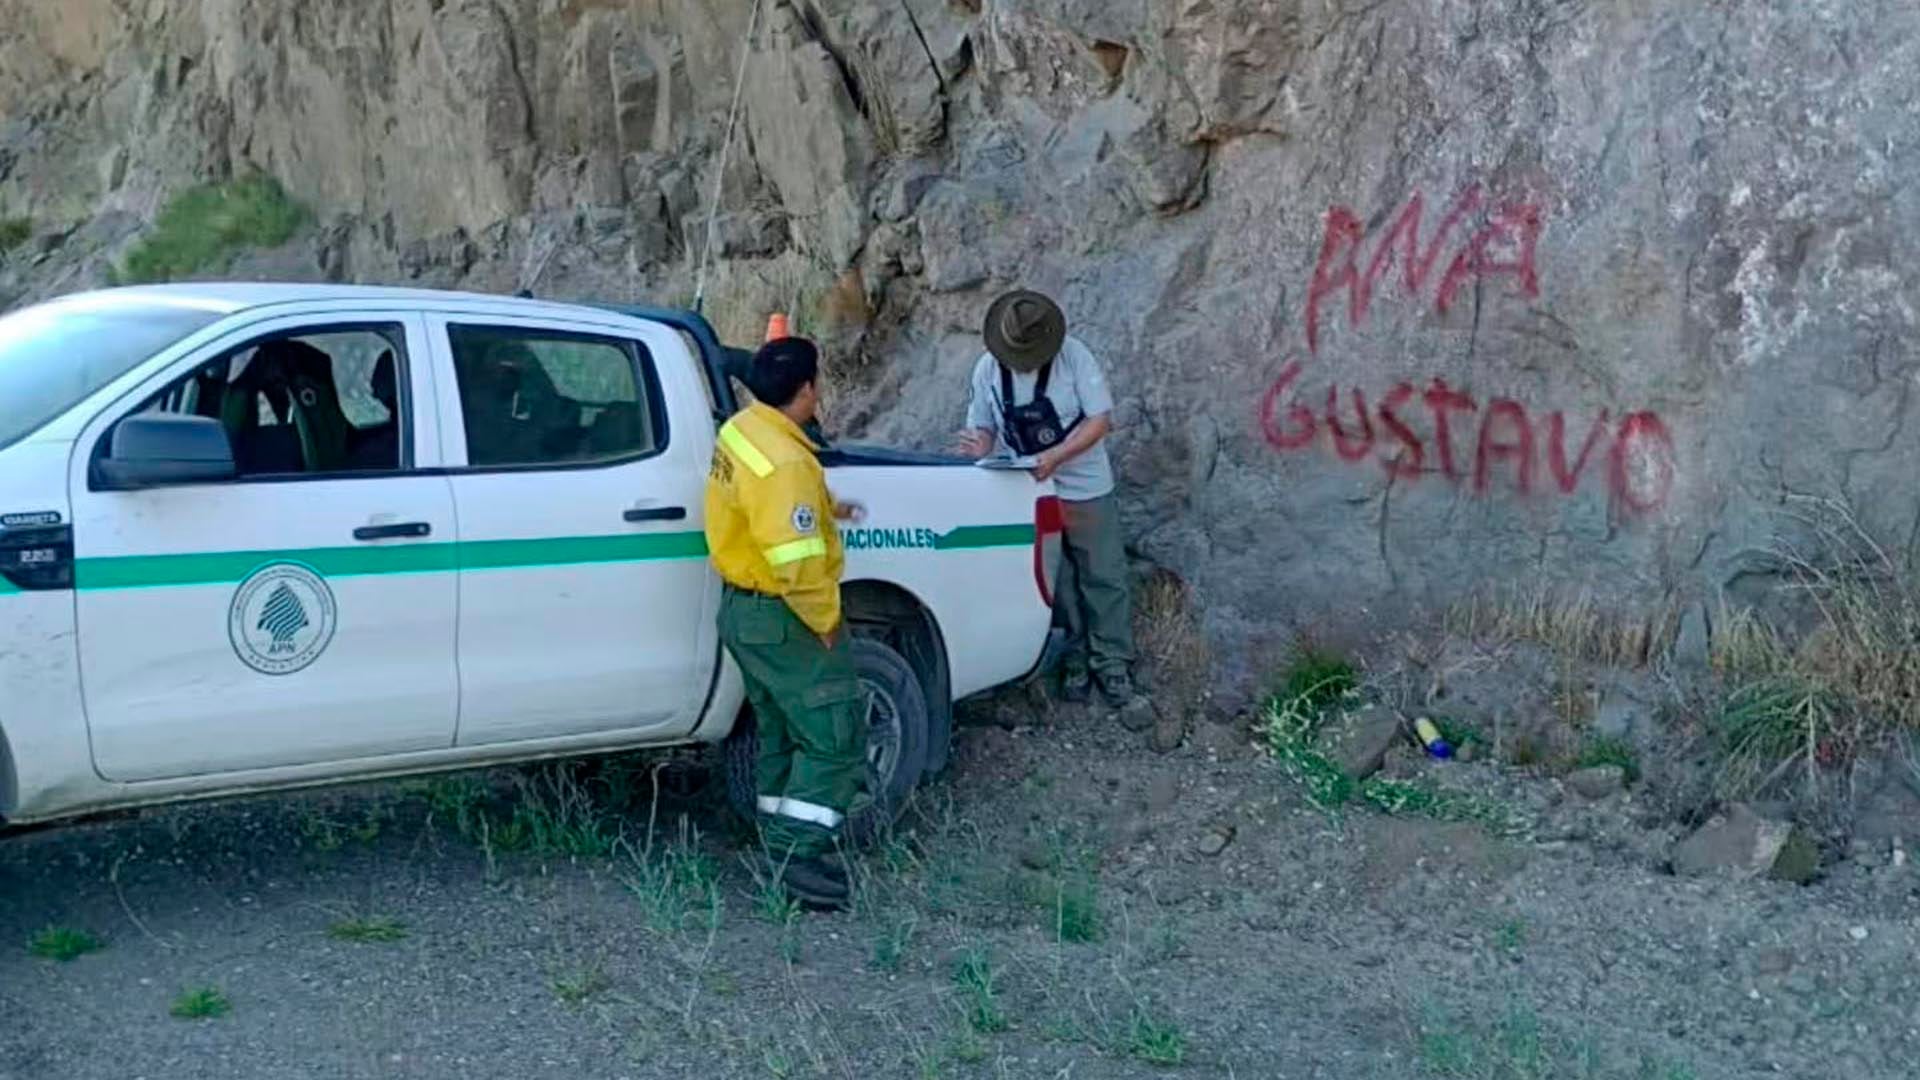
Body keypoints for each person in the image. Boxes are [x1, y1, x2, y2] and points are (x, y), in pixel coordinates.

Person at [705, 336, 866, 911]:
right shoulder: (788, 463)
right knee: (833, 737)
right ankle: (798, 859)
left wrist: (826, 507)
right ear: (807, 391)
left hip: (743, 612)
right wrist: (824, 621)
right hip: (784, 615)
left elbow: (763, 506)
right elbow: (796, 565)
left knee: (780, 730)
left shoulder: (743, 430)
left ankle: (774, 839)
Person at [956, 290, 1144, 717]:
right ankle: (1073, 657)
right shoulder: (987, 370)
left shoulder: (1075, 358)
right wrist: (979, 444)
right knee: (1054, 582)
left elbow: (1101, 420)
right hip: (1027, 492)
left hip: (1085, 486)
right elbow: (982, 428)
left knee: (1105, 575)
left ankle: (1112, 662)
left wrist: (1056, 458)